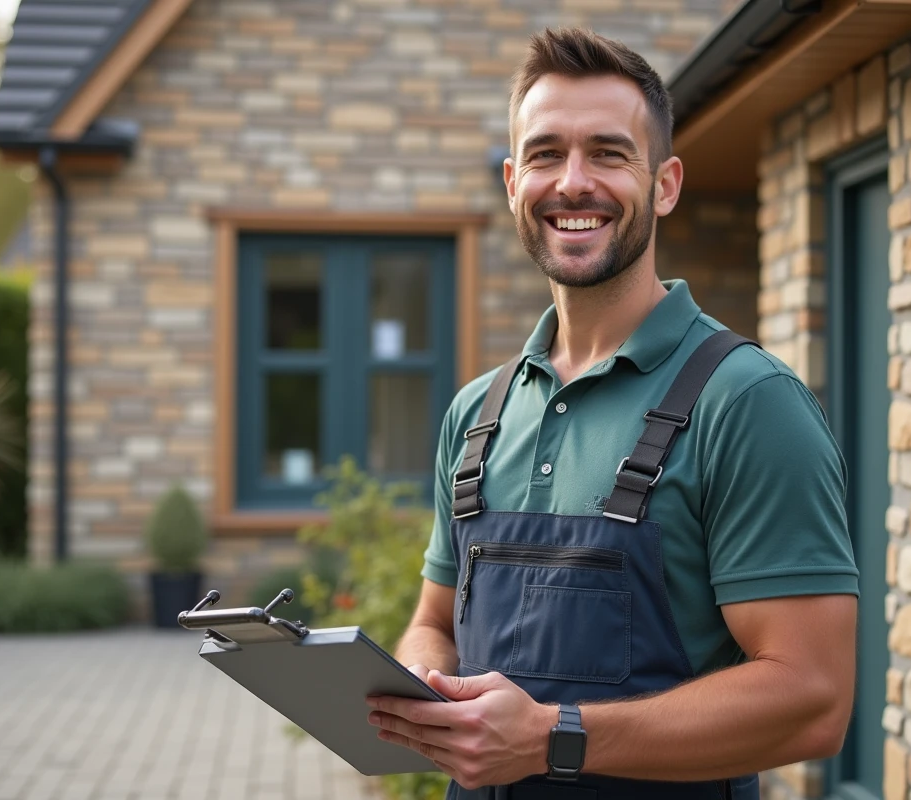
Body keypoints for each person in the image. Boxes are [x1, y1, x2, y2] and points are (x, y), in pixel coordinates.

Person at [365, 26, 860, 800]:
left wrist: (552, 738)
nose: (572, 182)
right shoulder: (476, 414)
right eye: (544, 154)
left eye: (607, 153)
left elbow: (813, 700)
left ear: (663, 185)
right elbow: (435, 619)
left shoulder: (749, 403)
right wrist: (424, 685)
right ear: (510, 182)